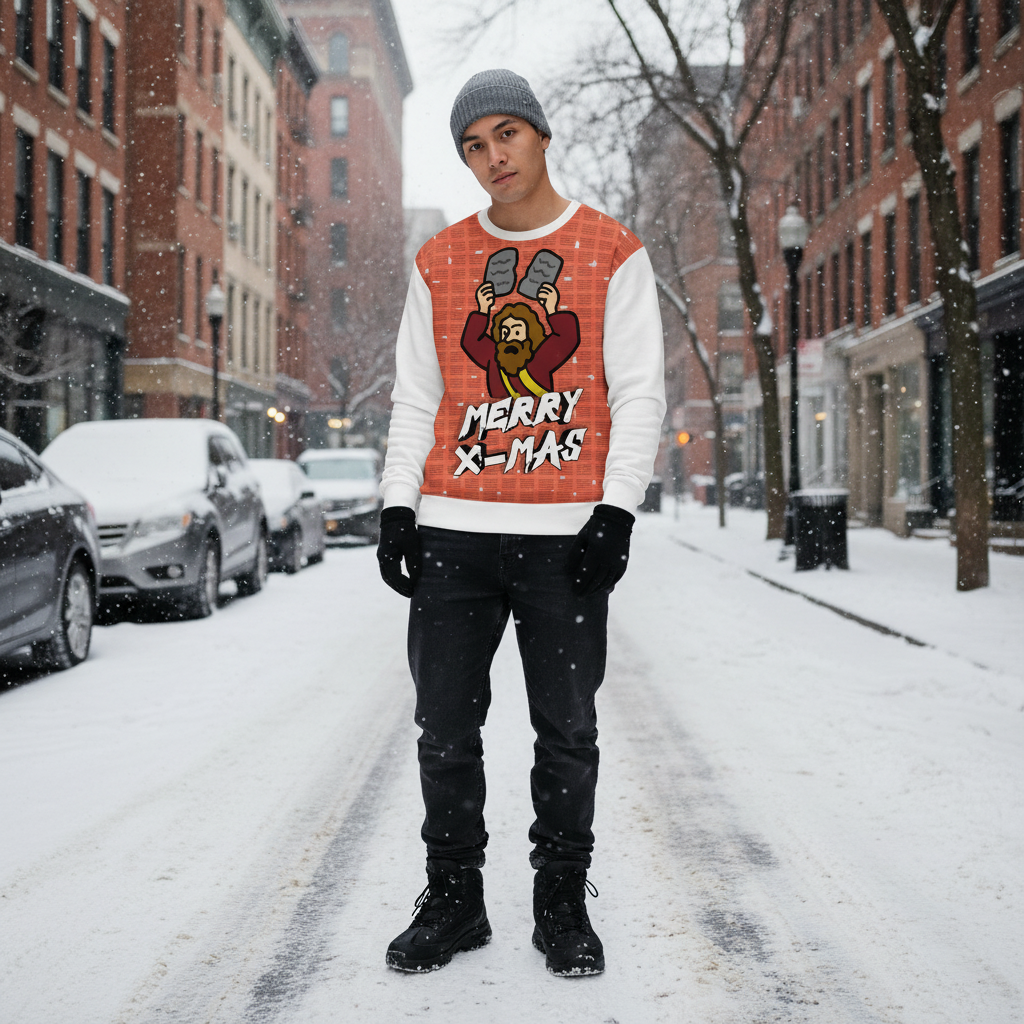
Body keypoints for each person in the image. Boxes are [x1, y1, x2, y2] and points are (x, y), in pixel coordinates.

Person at [377, 69, 665, 977]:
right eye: (473, 144)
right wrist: (398, 507)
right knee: (443, 730)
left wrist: (615, 512)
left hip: (565, 540)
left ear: (540, 135)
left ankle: (560, 900)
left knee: (567, 730)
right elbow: (416, 397)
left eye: (506, 133)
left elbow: (640, 393)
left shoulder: (612, 251)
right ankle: (455, 899)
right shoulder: (439, 259)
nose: (493, 156)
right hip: (453, 535)